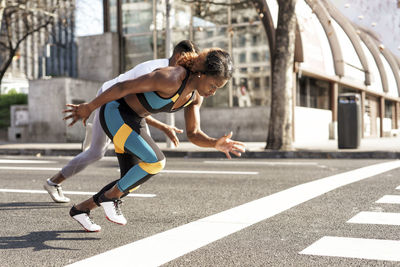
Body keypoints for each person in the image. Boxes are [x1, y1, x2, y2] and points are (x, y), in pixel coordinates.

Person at [64, 47, 246, 232]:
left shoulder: (194, 97)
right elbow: (122, 87)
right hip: (115, 113)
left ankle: (82, 209)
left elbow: (193, 133)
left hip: (134, 120)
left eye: (218, 89)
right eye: (213, 85)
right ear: (201, 74)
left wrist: (215, 143)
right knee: (157, 162)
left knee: (131, 179)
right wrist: (89, 107)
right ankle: (110, 198)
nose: (213, 92)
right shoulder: (171, 77)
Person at [43, 40, 199, 203]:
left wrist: (164, 127)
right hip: (110, 100)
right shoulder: (157, 71)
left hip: (127, 110)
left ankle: (108, 198)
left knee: (137, 162)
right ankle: (54, 183)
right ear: (180, 56)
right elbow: (127, 98)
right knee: (96, 153)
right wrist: (89, 107)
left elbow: (140, 109)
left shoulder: (176, 77)